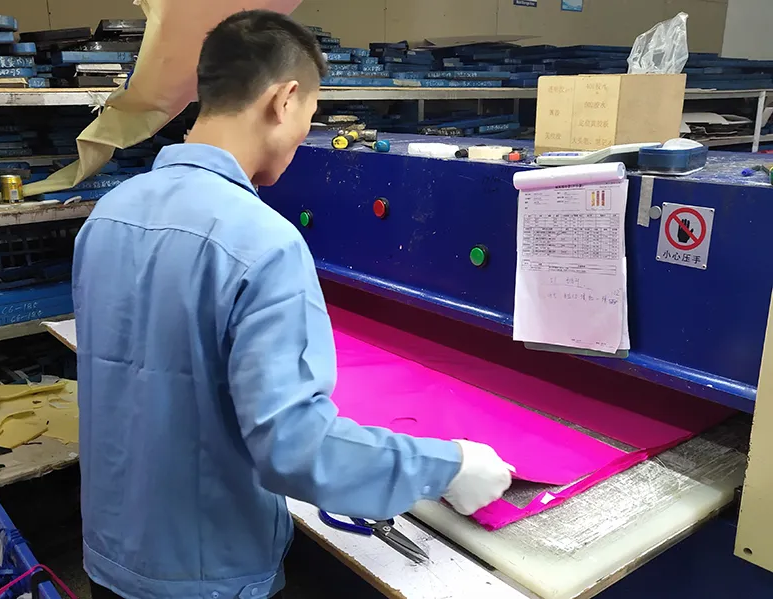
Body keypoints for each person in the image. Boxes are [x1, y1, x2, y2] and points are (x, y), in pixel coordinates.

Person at [73, 10, 513, 599]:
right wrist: (450, 467)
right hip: (209, 578)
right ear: (283, 100)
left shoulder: (109, 213)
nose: (306, 135)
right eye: (310, 114)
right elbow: (295, 447)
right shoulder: (262, 242)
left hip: (109, 560)